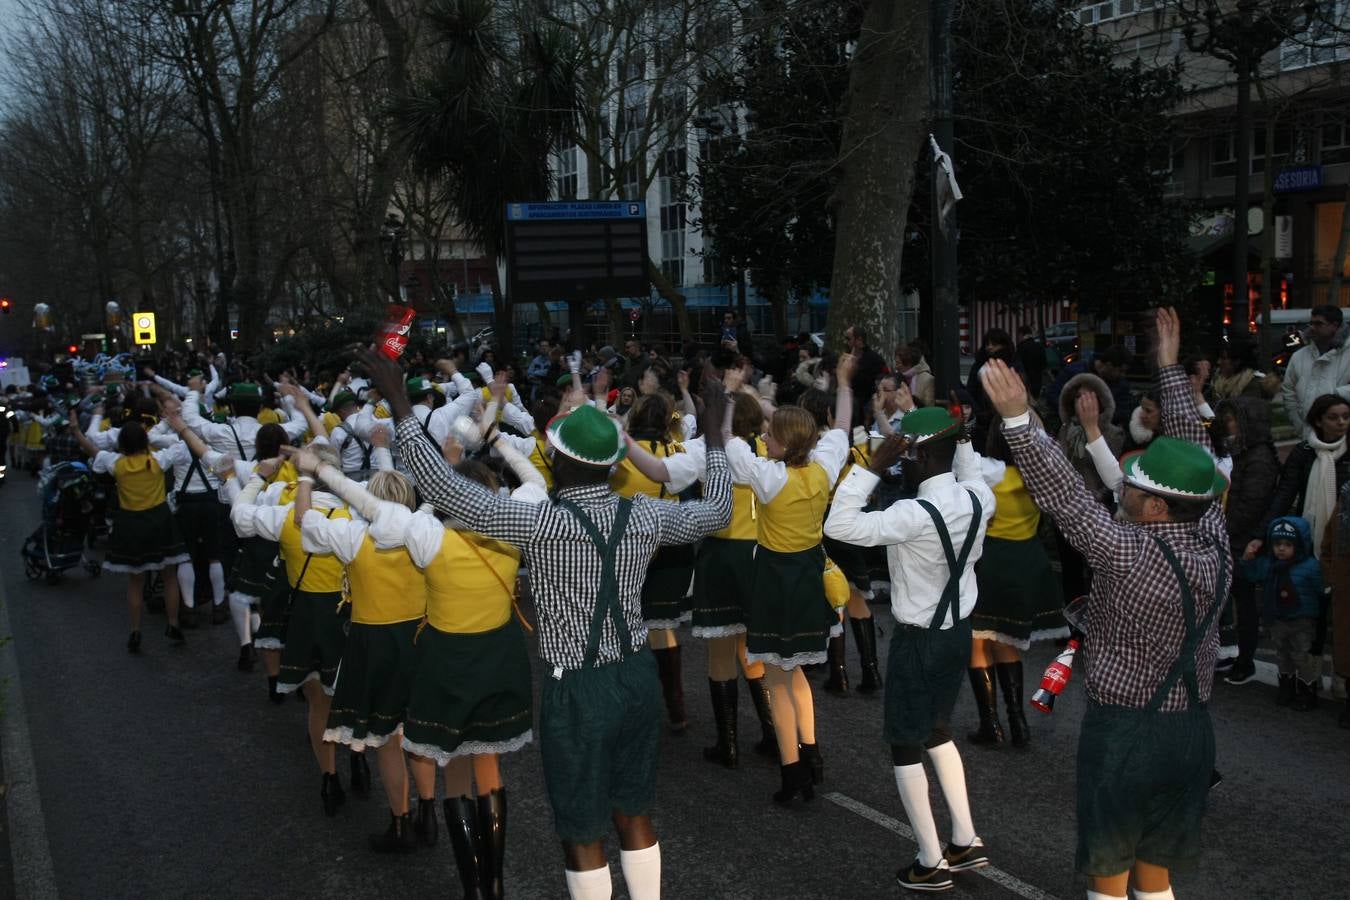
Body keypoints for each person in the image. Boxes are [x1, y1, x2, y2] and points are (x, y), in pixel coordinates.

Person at [359, 347, 732, 900]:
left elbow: (442, 489)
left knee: (582, 829)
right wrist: (718, 443)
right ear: (612, 465)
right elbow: (719, 512)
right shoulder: (646, 514)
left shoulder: (542, 523)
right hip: (635, 675)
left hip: (578, 688)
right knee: (634, 811)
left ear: (558, 461)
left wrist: (399, 403)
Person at [981, 307, 1230, 900]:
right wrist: (1169, 371)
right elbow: (1191, 449)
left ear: (1159, 508)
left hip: (1125, 733)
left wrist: (1018, 418)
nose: (1123, 485)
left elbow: (1065, 497)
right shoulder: (1214, 531)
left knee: (1109, 873)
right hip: (1192, 730)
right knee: (1156, 870)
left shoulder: (1128, 552)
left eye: (1135, 487)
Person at [825, 408, 995, 893]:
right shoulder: (979, 497)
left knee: (905, 742)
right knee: (937, 728)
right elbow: (970, 467)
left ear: (916, 455)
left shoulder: (911, 515)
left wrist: (872, 467)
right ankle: (964, 839)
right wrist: (958, 436)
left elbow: (840, 525)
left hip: (919, 638)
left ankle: (930, 859)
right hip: (958, 632)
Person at [725, 356, 855, 804]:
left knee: (776, 681)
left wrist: (728, 395)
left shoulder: (768, 477)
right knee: (795, 670)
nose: (764, 436)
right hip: (809, 573)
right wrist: (843, 382)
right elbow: (842, 423)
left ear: (782, 443)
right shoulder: (822, 467)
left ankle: (792, 771)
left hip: (776, 579)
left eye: (771, 433)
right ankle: (812, 753)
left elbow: (730, 441)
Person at [965, 419, 1067, 748]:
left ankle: (990, 724)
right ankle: (1018, 722)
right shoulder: (1036, 476)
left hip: (991, 559)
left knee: (978, 641)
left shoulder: (987, 472)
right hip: (1028, 558)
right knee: (1006, 639)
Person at [1248, 393, 1350, 710]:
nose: (1342, 422)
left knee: (1343, 619)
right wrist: (1261, 536)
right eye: (1334, 417)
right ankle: (1307, 681)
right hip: (1305, 544)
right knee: (1309, 617)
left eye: (1346, 416)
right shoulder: (1304, 453)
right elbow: (1284, 493)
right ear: (1319, 420)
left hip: (1342, 545)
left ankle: (1343, 685)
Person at [71, 414, 194, 651]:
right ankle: (173, 623)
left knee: (135, 582)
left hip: (129, 524)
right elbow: (183, 447)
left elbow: (92, 450)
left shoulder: (116, 463)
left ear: (123, 444)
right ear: (145, 440)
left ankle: (136, 630)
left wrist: (76, 431)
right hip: (160, 521)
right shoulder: (158, 460)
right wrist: (176, 426)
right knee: (169, 576)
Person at [1210, 396, 1279, 685]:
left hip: (1242, 541)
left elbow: (1251, 504)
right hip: (1233, 537)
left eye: (1233, 419)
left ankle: (1245, 660)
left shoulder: (1258, 457)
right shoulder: (1243, 451)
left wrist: (1224, 531)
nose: (1229, 425)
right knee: (1234, 600)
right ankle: (1235, 654)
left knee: (1245, 603)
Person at [1240, 517, 1324, 709]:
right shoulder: (1269, 564)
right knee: (1282, 655)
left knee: (1302, 656)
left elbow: (1321, 590)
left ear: (1300, 545)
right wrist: (1247, 560)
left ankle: (1307, 692)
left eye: (1288, 544)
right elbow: (1252, 575)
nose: (1282, 549)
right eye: (1277, 544)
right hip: (1277, 620)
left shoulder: (1310, 566)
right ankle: (1286, 689)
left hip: (1302, 621)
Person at [1281, 304, 1350, 431]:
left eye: (1318, 324)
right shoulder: (1299, 356)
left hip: (1344, 435)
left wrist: (1335, 394)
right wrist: (1299, 424)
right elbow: (1289, 391)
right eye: (1311, 323)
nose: (1312, 328)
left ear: (1334, 326)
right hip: (1308, 433)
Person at [1045, 346, 1132, 427]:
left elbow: (1122, 412)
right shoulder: (1073, 371)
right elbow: (1053, 395)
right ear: (1109, 365)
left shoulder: (1121, 385)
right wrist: (1072, 412)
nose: (1123, 375)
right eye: (1120, 371)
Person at [1016, 325, 1047, 401]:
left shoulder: (1021, 348)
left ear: (1021, 335)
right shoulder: (1039, 346)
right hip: (1037, 378)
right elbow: (1044, 363)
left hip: (1026, 380)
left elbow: (1018, 365)